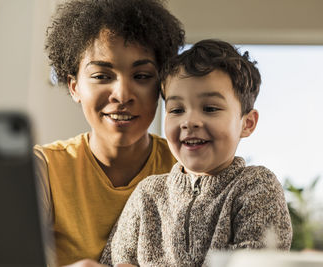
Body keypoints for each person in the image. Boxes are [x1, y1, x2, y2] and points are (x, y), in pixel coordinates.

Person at [99, 39, 293, 267]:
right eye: (177, 110)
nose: (189, 122)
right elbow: (112, 262)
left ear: (247, 123)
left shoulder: (257, 187)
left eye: (210, 108)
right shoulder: (148, 195)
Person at [33, 0, 185, 265]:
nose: (123, 95)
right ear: (74, 87)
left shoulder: (185, 168)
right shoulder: (42, 169)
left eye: (141, 76)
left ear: (162, 85)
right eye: (102, 76)